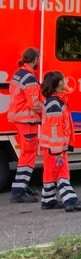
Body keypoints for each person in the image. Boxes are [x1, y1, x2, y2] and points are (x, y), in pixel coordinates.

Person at [38, 71, 81, 212]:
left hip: (50, 146)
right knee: (62, 172)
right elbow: (55, 129)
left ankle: (48, 200)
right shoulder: (55, 103)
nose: (65, 81)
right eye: (63, 79)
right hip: (55, 147)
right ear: (58, 83)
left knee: (50, 173)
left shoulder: (53, 101)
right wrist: (58, 150)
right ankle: (70, 200)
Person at [8, 47, 42, 203]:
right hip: (27, 120)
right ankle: (19, 191)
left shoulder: (18, 73)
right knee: (28, 156)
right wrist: (48, 111)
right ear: (35, 59)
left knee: (24, 155)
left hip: (18, 119)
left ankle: (22, 186)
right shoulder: (29, 77)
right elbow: (34, 103)